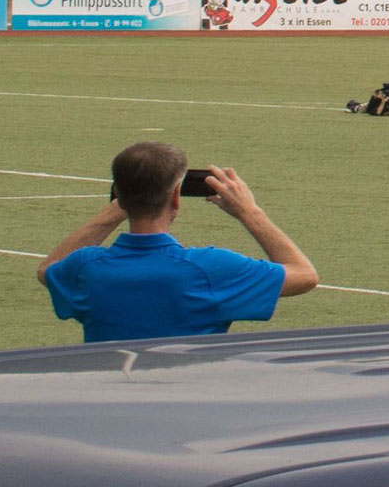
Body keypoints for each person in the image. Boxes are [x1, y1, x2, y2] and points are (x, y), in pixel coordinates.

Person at [38, 142, 317, 343]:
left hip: (109, 406)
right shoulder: (211, 269)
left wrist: (118, 207)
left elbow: (49, 269)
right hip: (183, 408)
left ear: (119, 195)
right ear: (175, 197)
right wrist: (249, 212)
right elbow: (305, 276)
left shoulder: (86, 268)